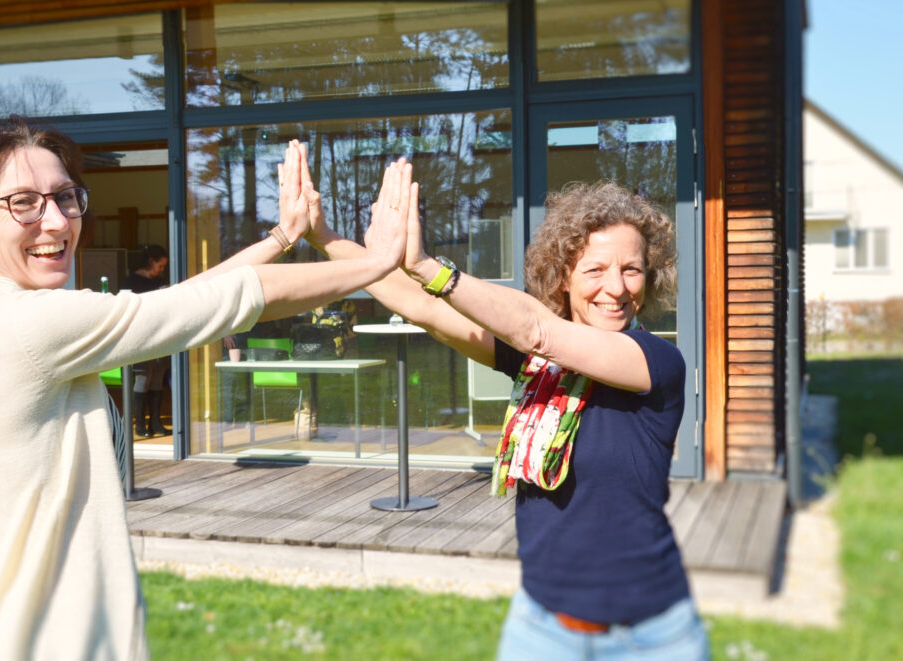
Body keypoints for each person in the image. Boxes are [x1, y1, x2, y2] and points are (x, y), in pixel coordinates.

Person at [0, 118, 411, 660]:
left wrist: (283, 237)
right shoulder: (27, 325)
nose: (55, 221)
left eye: (64, 198)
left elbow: (183, 302)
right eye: (24, 203)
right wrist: (378, 263)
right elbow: (242, 298)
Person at [294, 141, 709, 660]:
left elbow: (536, 327)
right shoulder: (539, 369)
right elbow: (417, 304)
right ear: (563, 276)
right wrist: (322, 234)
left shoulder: (654, 364)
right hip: (542, 626)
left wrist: (427, 265)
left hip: (649, 637)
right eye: (595, 270)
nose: (616, 288)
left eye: (632, 269)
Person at [121, 244, 171, 436]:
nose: (162, 270)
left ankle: (156, 423)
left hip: (159, 337)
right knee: (143, 380)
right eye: (161, 265)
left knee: (157, 380)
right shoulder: (131, 281)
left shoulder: (159, 281)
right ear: (151, 261)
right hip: (140, 338)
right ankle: (140, 424)